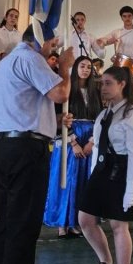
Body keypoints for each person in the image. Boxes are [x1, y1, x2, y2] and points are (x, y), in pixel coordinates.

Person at [0, 26, 74, 264]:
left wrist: (53, 120)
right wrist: (65, 68)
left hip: (4, 145)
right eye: (51, 44)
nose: (53, 50)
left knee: (5, 222)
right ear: (40, 40)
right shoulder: (30, 58)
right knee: (23, 222)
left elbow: (22, 105)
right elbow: (60, 93)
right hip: (26, 150)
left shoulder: (5, 64)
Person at [74, 66, 133, 264]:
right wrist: (93, 174)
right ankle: (106, 261)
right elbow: (97, 146)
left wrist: (131, 192)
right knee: (85, 219)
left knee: (118, 225)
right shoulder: (105, 113)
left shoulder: (132, 114)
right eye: (102, 83)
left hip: (121, 170)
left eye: (108, 83)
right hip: (102, 169)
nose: (103, 88)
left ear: (122, 84)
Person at [44, 55, 102, 238]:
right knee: (66, 181)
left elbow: (99, 118)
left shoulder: (95, 92)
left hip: (88, 140)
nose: (85, 70)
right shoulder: (67, 89)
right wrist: (73, 142)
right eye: (82, 66)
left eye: (89, 67)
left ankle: (76, 222)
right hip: (69, 138)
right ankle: (62, 223)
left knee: (82, 183)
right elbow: (59, 116)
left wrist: (92, 141)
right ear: (75, 68)